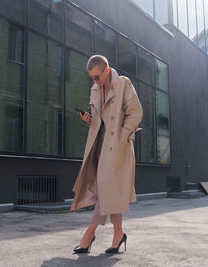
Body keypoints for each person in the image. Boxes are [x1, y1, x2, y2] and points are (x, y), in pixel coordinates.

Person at [70, 55, 143, 254]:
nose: (94, 81)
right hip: (100, 145)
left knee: (106, 189)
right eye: (91, 78)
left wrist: (122, 136)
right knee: (111, 192)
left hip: (117, 147)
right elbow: (99, 121)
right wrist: (88, 119)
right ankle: (119, 233)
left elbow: (136, 113)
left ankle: (88, 234)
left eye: (97, 77)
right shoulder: (95, 89)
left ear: (107, 71)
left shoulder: (123, 84)